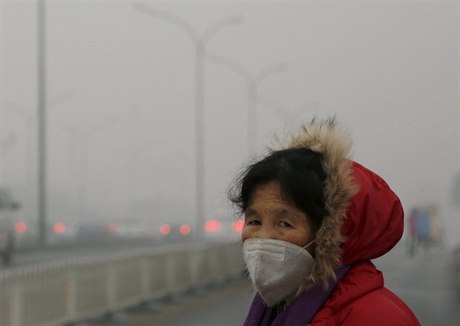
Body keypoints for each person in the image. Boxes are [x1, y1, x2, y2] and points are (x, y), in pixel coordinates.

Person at [229, 118, 420, 325]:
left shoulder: (377, 318)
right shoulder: (272, 308)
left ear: (328, 232)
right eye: (255, 221)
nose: (264, 237)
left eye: (284, 223)